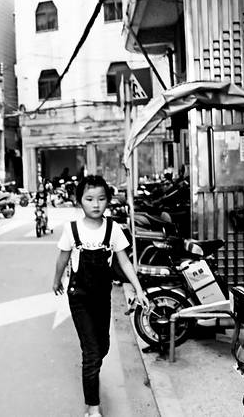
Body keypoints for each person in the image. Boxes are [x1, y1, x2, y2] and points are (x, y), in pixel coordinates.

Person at [53, 175, 150, 417]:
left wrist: (139, 289)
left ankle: (92, 365)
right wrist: (56, 280)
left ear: (108, 200)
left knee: (102, 346)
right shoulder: (72, 229)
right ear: (79, 201)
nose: (95, 204)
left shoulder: (113, 229)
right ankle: (93, 407)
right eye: (89, 199)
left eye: (101, 199)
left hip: (101, 296)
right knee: (92, 353)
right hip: (79, 296)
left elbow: (124, 262)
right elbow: (62, 258)